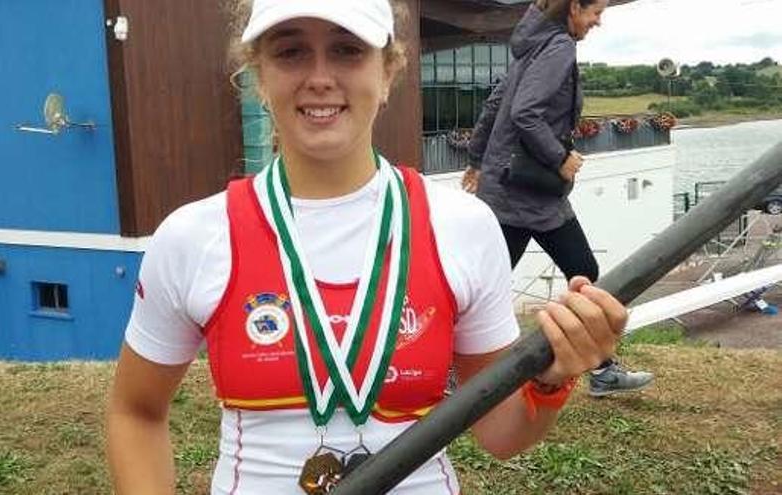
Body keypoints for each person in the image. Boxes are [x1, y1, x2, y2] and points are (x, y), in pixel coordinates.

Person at [106, 1, 628, 493]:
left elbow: (499, 433)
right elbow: (135, 411)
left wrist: (551, 380)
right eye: (290, 51)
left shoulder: (463, 226)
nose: (319, 77)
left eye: (347, 49)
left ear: (388, 72)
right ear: (259, 76)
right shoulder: (193, 237)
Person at [460, 0, 654, 398]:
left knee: (496, 279)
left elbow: (496, 105)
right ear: (573, 8)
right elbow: (524, 113)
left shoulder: (533, 42)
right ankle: (599, 370)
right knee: (576, 270)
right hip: (526, 190)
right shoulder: (558, 46)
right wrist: (561, 157)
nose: (598, 22)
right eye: (595, 11)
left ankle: (600, 367)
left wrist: (478, 159)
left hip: (514, 187)